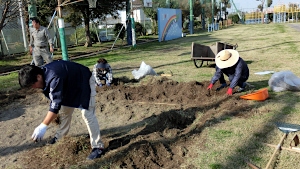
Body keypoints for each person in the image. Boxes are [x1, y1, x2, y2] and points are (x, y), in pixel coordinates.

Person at [19, 60, 105, 160]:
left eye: (33, 85)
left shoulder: (54, 76)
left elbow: (55, 106)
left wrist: (43, 125)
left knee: (87, 114)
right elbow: (56, 102)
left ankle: (98, 146)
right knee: (65, 112)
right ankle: (59, 137)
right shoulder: (45, 75)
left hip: (84, 82)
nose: (33, 88)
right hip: (70, 86)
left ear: (38, 76)